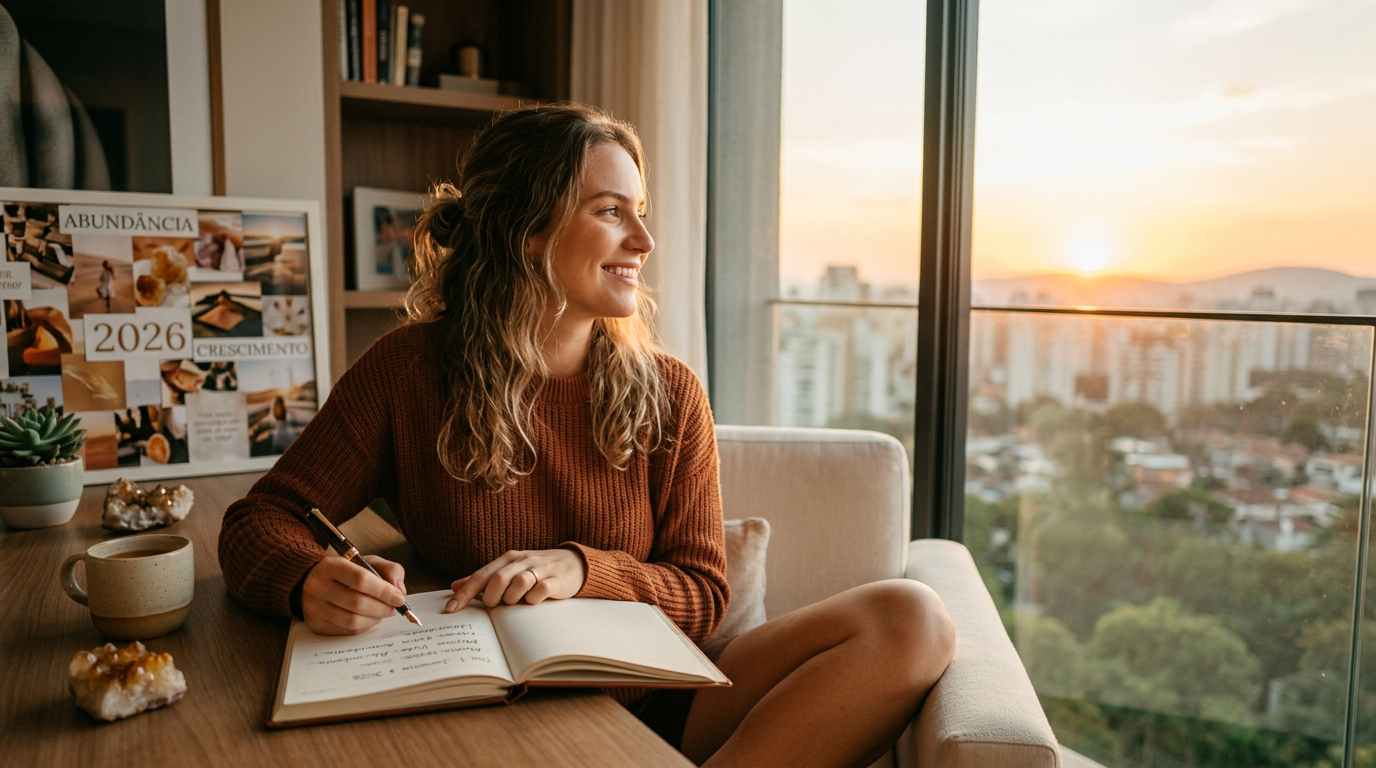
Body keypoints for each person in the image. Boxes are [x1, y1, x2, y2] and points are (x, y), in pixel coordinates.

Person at [218, 103, 954, 766]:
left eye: (640, 212)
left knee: (911, 618)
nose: (645, 239)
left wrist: (581, 569)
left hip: (652, 701)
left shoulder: (671, 393)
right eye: (612, 212)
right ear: (525, 227)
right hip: (482, 713)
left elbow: (701, 595)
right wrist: (308, 580)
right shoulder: (407, 373)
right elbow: (260, 521)